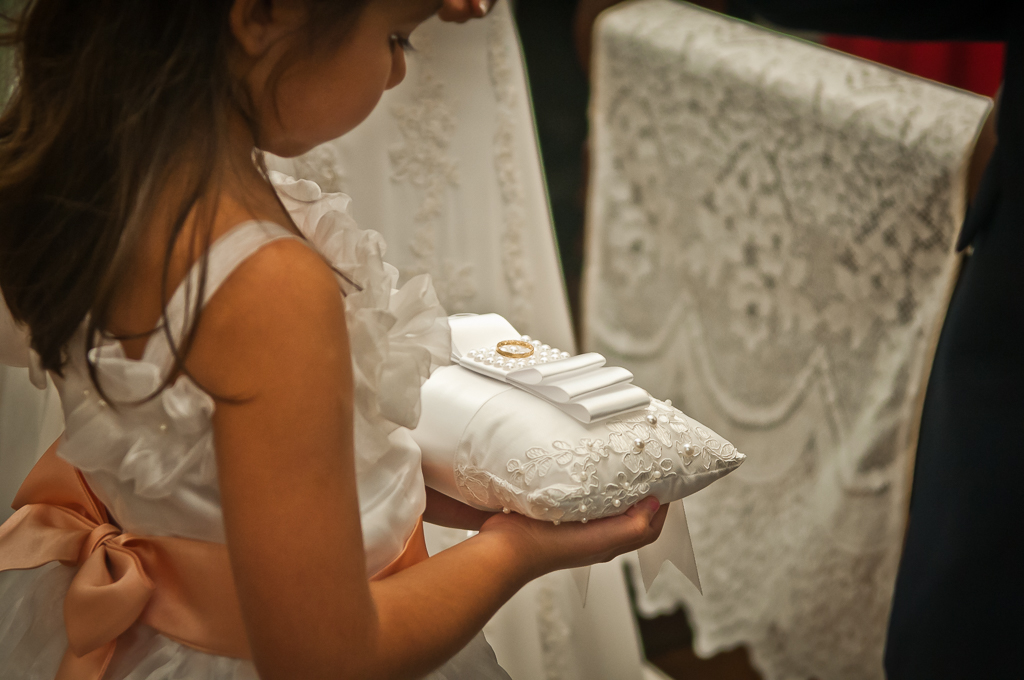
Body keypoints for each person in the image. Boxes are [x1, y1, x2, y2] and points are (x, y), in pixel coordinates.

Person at [0, 1, 669, 678]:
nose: (398, 72)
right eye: (394, 37)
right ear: (261, 17)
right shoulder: (266, 283)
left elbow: (224, 484)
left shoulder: (90, 189)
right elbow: (329, 657)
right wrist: (519, 550)